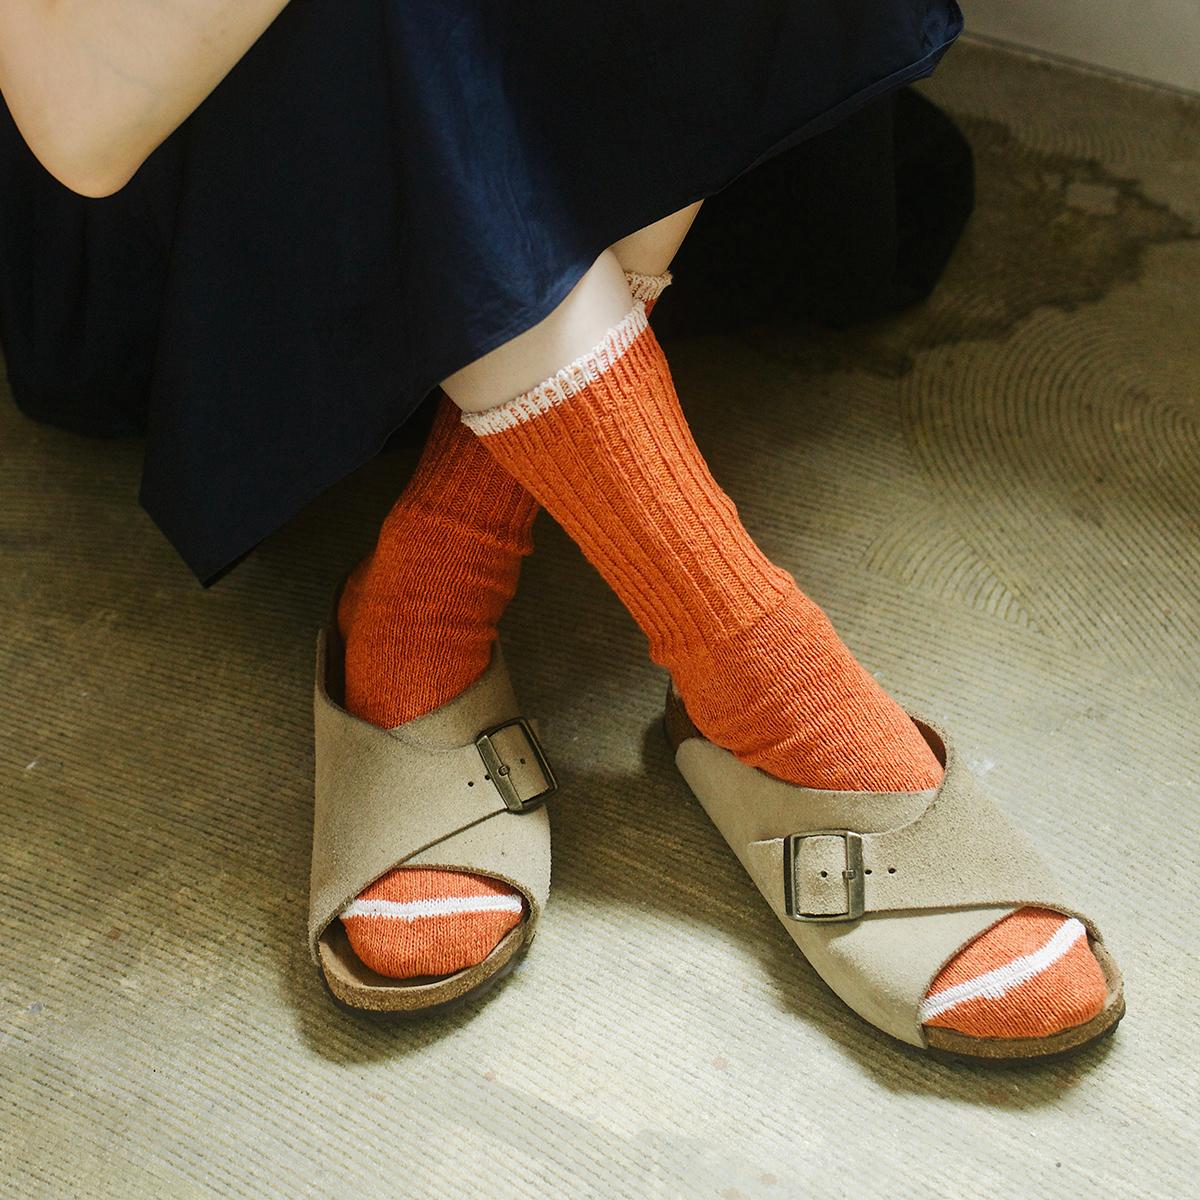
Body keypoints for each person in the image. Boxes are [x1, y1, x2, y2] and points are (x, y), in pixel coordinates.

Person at [0, 1, 1123, 1061]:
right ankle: (754, 670)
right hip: (221, 205)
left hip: (635, 160)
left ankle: (441, 561)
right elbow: (78, 122)